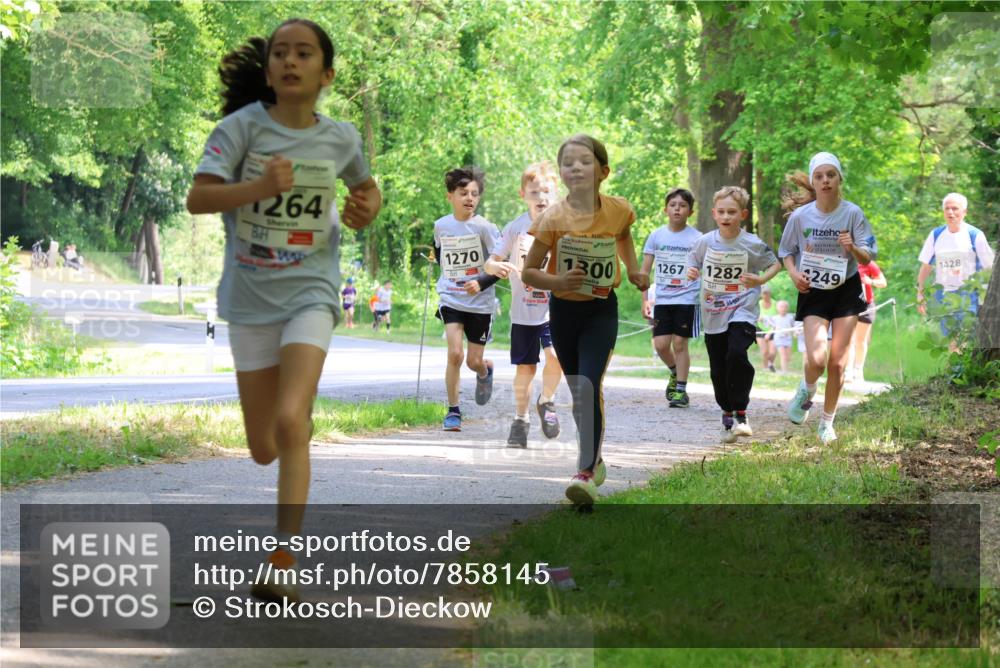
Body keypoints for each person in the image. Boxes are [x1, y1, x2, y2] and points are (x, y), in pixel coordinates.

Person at [186, 18, 381, 602]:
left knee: (293, 421)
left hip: (311, 291)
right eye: (280, 53)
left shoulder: (341, 138)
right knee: (262, 445)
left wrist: (364, 208)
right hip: (248, 298)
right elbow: (199, 197)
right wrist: (258, 187)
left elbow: (366, 191)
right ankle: (285, 443)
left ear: (326, 73)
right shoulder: (239, 128)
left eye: (304, 53)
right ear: (268, 69)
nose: (290, 62)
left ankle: (282, 560)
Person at [522, 134, 649, 506]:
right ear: (561, 174)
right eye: (568, 162)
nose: (575, 167)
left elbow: (622, 236)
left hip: (600, 309)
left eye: (584, 161)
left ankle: (585, 471)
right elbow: (530, 272)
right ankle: (595, 459)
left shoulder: (618, 209)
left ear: (603, 171)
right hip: (564, 311)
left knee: (588, 385)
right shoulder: (552, 217)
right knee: (578, 395)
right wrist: (558, 280)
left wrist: (632, 269)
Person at [779, 152, 876, 444]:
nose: (825, 181)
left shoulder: (853, 213)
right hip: (814, 291)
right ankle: (807, 389)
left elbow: (870, 253)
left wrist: (853, 247)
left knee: (837, 363)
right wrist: (794, 275)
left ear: (839, 179)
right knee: (818, 359)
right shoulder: (801, 217)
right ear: (813, 181)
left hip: (846, 288)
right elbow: (786, 252)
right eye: (819, 176)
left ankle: (827, 423)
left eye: (830, 175)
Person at [686, 186, 781, 444]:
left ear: (743, 214)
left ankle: (741, 413)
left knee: (737, 353)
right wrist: (692, 272)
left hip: (743, 308)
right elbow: (691, 262)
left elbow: (776, 263)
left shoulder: (751, 243)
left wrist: (760, 278)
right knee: (718, 368)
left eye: (732, 212)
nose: (726, 216)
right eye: (722, 212)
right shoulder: (705, 242)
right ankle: (726, 413)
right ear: (714, 214)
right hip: (714, 312)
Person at [484, 162, 564, 447]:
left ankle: (547, 401)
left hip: (555, 310)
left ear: (556, 194)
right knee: (526, 369)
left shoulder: (564, 227)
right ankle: (521, 420)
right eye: (534, 192)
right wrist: (497, 267)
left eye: (546, 191)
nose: (541, 197)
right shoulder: (515, 228)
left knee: (557, 357)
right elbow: (490, 261)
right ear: (523, 194)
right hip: (524, 311)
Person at [432, 167, 504, 431]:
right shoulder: (441, 225)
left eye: (474, 194)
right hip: (451, 298)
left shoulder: (485, 228)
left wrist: (481, 281)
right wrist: (450, 278)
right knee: (454, 354)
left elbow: (501, 264)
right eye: (463, 193)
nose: (470, 199)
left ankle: (485, 372)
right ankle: (453, 411)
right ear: (450, 195)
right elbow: (441, 255)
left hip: (480, 303)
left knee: (474, 361)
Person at [640, 187, 702, 407]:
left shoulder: (698, 238)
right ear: (666, 209)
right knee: (661, 344)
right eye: (673, 205)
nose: (677, 209)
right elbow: (644, 271)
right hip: (663, 299)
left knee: (679, 343)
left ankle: (681, 392)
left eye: (683, 205)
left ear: (690, 211)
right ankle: (675, 372)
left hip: (687, 298)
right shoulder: (656, 236)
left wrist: (699, 273)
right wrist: (645, 299)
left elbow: (707, 268)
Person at [916, 193, 995, 350]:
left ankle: (960, 371)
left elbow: (990, 268)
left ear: (964, 212)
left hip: (968, 295)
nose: (951, 212)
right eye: (947, 209)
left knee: (964, 338)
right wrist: (920, 293)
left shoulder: (975, 235)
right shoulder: (936, 235)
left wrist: (987, 295)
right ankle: (956, 372)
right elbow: (926, 266)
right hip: (943, 296)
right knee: (951, 339)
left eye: (955, 208)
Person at [846, 259, 886, 383]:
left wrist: (871, 281)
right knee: (849, 340)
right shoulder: (843, 261)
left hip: (866, 305)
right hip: (848, 305)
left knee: (861, 340)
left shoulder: (868, 264)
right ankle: (848, 371)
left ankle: (858, 369)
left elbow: (883, 283)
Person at [755, 284, 778, 372]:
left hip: (772, 329)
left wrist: (771, 331)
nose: (766, 295)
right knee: (764, 352)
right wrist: (758, 318)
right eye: (764, 293)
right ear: (761, 294)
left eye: (767, 293)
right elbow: (753, 316)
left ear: (770, 293)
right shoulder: (758, 303)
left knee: (772, 352)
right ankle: (765, 368)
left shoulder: (775, 303)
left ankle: (770, 364)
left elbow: (777, 318)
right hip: (760, 329)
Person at [771, 300, 796, 373]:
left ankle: (783, 368)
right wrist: (768, 334)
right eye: (781, 307)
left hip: (788, 339)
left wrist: (794, 332)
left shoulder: (790, 317)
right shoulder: (775, 318)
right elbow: (772, 327)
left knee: (788, 357)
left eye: (785, 307)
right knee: (783, 355)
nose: (783, 308)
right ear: (777, 308)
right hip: (779, 339)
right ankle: (784, 371)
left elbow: (793, 326)